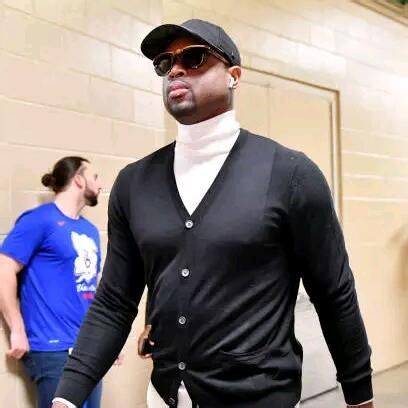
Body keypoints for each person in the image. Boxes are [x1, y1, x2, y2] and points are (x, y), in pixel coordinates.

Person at [52, 20, 374, 408]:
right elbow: (114, 303)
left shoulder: (289, 175)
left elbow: (334, 292)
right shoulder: (134, 183)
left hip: (258, 399)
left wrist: (359, 395)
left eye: (194, 57)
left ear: (233, 75)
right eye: (165, 62)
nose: (175, 70)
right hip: (165, 397)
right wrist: (67, 397)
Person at [0, 156, 103, 408]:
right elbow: (4, 269)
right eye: (95, 177)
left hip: (87, 348)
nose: (100, 184)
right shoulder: (39, 220)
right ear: (78, 180)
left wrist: (105, 338)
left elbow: (94, 287)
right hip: (52, 348)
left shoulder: (90, 231)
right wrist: (17, 329)